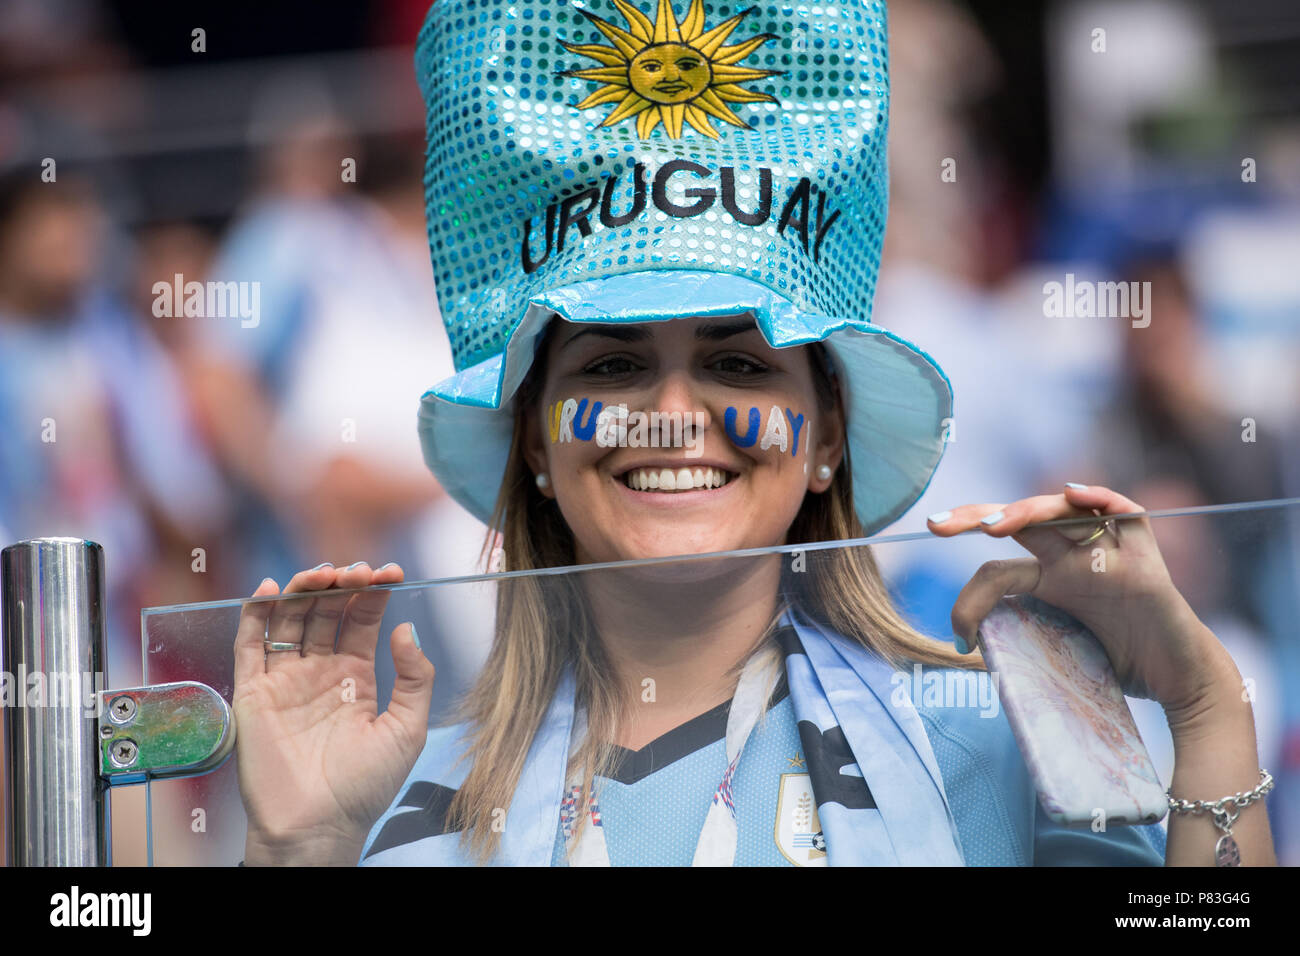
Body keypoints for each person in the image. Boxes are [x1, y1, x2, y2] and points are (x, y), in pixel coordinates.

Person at [230, 0, 1276, 866]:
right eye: (612, 362)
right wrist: (300, 849)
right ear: (536, 443)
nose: (674, 411)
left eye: (737, 361)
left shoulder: (999, 732)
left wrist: (1203, 701)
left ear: (826, 435)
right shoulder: (398, 796)